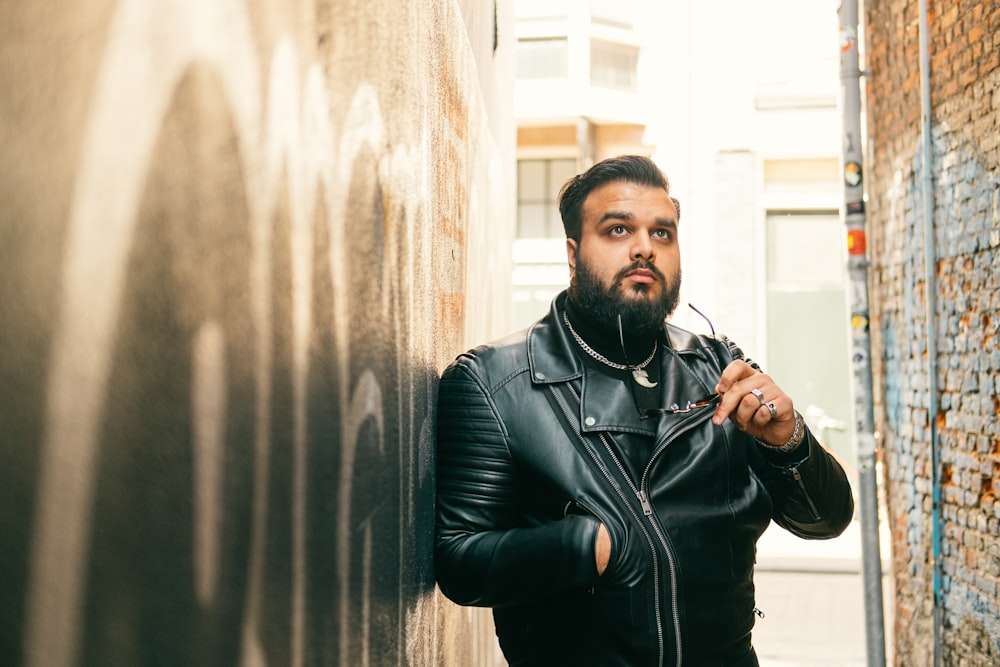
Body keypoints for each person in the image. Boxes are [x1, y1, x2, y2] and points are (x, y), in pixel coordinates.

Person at [434, 155, 854, 666]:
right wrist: (593, 545)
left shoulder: (720, 367)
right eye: (617, 229)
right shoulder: (494, 384)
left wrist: (789, 440)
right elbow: (459, 560)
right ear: (573, 253)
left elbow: (825, 520)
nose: (643, 248)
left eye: (662, 234)